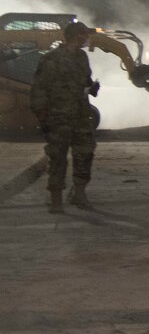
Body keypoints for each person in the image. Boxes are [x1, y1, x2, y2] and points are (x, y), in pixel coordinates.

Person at [29, 21, 100, 213]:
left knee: (85, 153)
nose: (86, 39)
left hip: (81, 115)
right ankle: (56, 200)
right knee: (58, 157)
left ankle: (79, 194)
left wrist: (92, 87)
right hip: (58, 116)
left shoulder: (82, 57)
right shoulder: (51, 59)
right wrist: (42, 116)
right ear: (76, 36)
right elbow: (39, 89)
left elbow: (85, 80)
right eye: (84, 35)